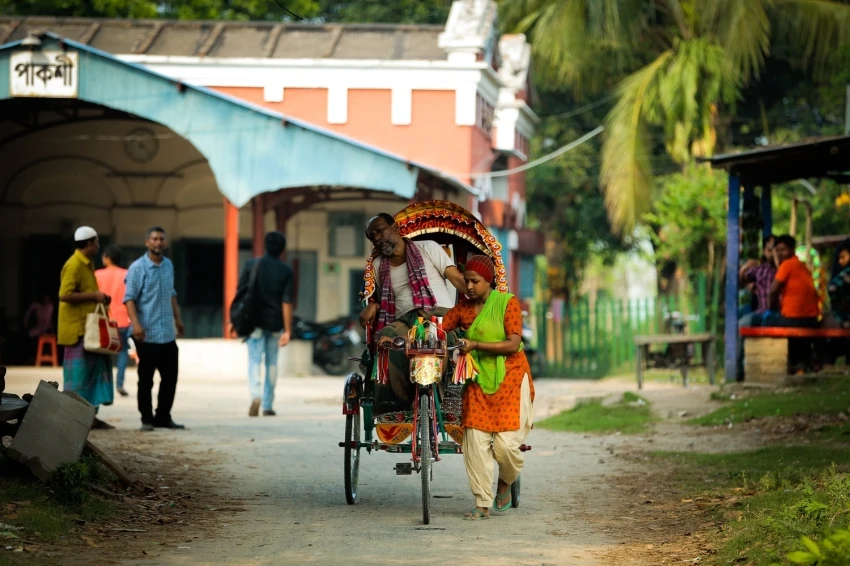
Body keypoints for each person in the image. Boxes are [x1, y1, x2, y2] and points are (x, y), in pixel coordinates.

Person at [440, 255, 535, 521]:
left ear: (488, 281)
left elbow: (513, 344)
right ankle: (482, 502)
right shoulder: (463, 309)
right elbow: (441, 326)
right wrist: (422, 324)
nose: (469, 286)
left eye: (475, 281)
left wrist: (476, 346)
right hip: (478, 380)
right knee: (476, 443)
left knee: (505, 447)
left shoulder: (508, 303)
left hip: (511, 379)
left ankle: (505, 481)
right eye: (466, 281)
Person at [360, 213, 467, 409]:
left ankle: (450, 389)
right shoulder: (377, 265)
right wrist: (373, 305)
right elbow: (381, 299)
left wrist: (483, 299)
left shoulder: (428, 248)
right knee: (386, 339)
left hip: (440, 313)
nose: (376, 238)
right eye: (371, 236)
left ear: (396, 228)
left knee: (451, 340)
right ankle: (397, 400)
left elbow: (457, 279)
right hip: (406, 320)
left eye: (380, 231)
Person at [124, 226, 186, 431]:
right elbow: (129, 299)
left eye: (161, 239)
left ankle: (163, 416)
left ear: (165, 243)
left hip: (167, 334)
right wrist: (136, 325)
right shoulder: (137, 268)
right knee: (146, 380)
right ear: (147, 242)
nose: (158, 242)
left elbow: (172, 294)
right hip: (147, 335)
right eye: (154, 239)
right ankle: (146, 419)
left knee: (170, 379)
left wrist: (178, 320)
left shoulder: (168, 265)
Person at [230, 231, 294, 417]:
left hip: (254, 321)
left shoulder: (252, 264)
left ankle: (255, 395)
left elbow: (240, 293)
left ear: (265, 245)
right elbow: (287, 301)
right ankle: (268, 404)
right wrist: (288, 330)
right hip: (275, 323)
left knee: (254, 360)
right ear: (282, 249)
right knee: (272, 363)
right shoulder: (286, 270)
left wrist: (233, 320)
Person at [57, 226, 114, 428]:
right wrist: (94, 296)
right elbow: (64, 295)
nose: (98, 246)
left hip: (89, 330)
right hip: (77, 330)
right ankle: (74, 418)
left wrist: (100, 298)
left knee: (93, 374)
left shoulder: (87, 264)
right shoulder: (74, 265)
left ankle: (89, 416)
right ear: (90, 243)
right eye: (96, 242)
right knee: (79, 378)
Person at [760, 235, 821, 372]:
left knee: (765, 322)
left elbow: (773, 290)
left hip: (794, 319)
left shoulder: (787, 265)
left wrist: (770, 306)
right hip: (811, 319)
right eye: (778, 250)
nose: (781, 253)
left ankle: (769, 366)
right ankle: (801, 363)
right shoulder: (801, 265)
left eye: (784, 250)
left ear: (792, 250)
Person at [736, 235, 777, 379]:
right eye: (769, 249)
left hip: (778, 313)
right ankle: (738, 371)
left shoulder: (783, 268)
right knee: (742, 323)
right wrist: (746, 267)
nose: (772, 252)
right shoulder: (761, 269)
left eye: (775, 249)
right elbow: (741, 280)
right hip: (761, 312)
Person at [96, 245, 131, 397]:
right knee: (123, 351)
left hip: (103, 319)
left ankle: (104, 384)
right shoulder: (127, 274)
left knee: (103, 353)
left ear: (108, 258)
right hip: (122, 319)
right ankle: (119, 383)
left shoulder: (97, 274)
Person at [24, 294, 54, 363]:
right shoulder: (36, 305)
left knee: (46, 338)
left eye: (47, 297)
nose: (45, 299)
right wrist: (25, 324)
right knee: (30, 336)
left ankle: (46, 358)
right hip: (38, 328)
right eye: (44, 297)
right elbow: (28, 313)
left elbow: (47, 320)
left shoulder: (50, 306)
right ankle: (32, 356)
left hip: (47, 328)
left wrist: (43, 331)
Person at [827, 240, 850, 327]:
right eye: (839, 258)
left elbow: (832, 289)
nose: (840, 261)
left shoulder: (845, 273)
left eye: (843, 257)